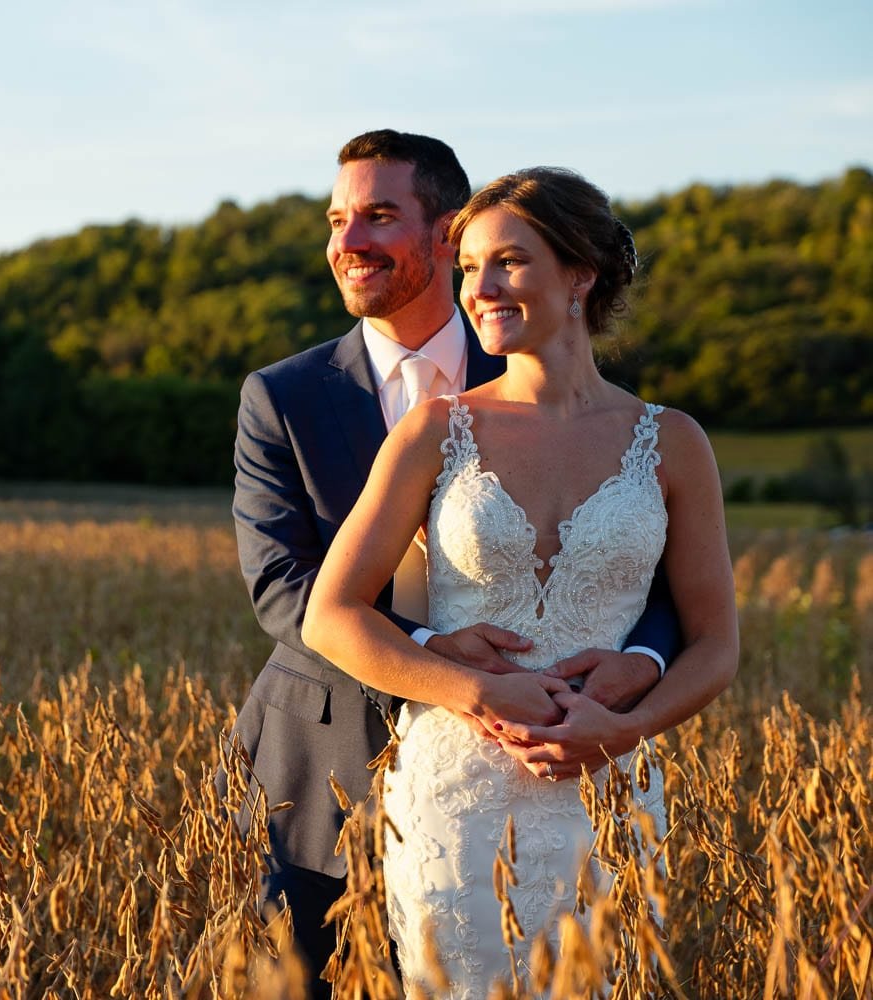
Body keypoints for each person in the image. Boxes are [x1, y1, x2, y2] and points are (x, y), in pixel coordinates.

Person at [223, 130, 682, 996]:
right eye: (337, 220)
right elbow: (286, 589)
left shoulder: (550, 364)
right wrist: (439, 650)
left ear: (445, 233)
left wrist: (640, 667)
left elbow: (643, 563)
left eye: (379, 216)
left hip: (572, 744)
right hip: (328, 747)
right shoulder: (281, 395)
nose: (348, 242)